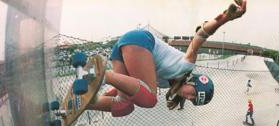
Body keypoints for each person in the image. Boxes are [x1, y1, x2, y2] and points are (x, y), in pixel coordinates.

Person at [86, 0, 247, 117]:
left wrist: (94, 95)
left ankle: (83, 103)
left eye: (192, 100)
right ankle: (100, 72)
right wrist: (225, 18)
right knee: (149, 99)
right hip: (141, 42)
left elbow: (126, 84)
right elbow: (200, 36)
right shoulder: (187, 66)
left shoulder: (164, 83)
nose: (189, 97)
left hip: (121, 52)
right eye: (194, 94)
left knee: (124, 105)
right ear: (194, 82)